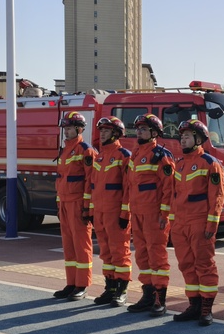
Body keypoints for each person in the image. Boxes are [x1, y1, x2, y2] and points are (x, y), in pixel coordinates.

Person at [170, 119, 224, 326]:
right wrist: (173, 223)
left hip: (200, 222)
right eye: (181, 136)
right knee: (186, 264)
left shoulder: (210, 163)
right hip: (181, 224)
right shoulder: (179, 164)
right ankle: (194, 304)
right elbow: (175, 196)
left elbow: (217, 197)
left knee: (204, 264)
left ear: (198, 139)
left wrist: (212, 225)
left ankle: (206, 308)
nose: (182, 139)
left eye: (187, 136)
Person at [125, 114, 176, 316]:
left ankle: (159, 299)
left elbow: (168, 188)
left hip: (155, 216)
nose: (139, 132)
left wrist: (164, 214)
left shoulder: (161, 156)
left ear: (154, 133)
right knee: (143, 256)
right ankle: (147, 295)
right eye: (138, 129)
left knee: (157, 256)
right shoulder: (136, 154)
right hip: (137, 213)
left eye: (144, 129)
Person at [53, 111, 98, 301]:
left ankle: (82, 285)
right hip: (64, 203)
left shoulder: (85, 150)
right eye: (65, 128)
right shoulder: (65, 150)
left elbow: (91, 181)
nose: (66, 131)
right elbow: (61, 179)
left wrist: (87, 207)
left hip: (78, 204)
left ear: (79, 129)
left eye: (69, 128)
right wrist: (58, 203)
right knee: (68, 246)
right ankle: (71, 283)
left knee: (82, 246)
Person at [89, 116, 133, 305]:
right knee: (106, 252)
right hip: (100, 212)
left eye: (106, 130)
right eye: (101, 130)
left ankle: (122, 290)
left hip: (116, 213)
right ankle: (110, 287)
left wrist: (125, 214)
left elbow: (128, 188)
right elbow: (93, 185)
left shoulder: (124, 155)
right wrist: (91, 210)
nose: (102, 133)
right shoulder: (99, 155)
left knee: (119, 251)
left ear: (116, 133)